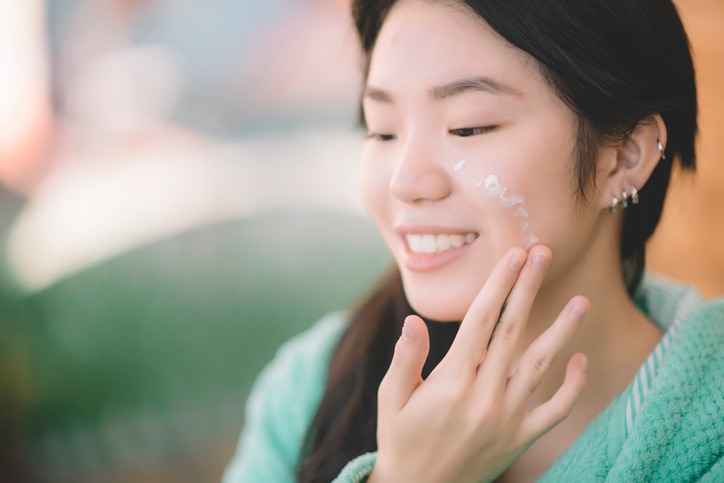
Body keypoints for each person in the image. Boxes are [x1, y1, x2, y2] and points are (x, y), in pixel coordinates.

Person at [223, 0, 724, 481]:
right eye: (382, 132)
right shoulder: (312, 387)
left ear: (624, 157)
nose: (406, 181)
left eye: (468, 127)